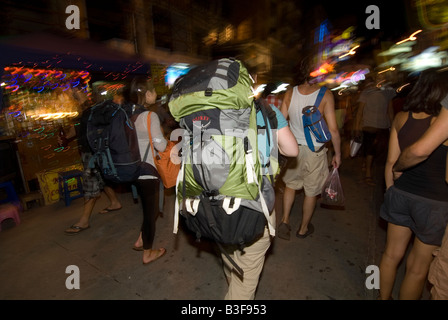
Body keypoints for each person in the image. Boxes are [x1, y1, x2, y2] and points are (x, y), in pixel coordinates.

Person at [220, 60, 299, 300]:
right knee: (248, 275)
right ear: (251, 79)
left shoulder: (210, 113)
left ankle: (233, 287)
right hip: (256, 204)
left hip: (216, 204)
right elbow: (292, 151)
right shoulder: (266, 111)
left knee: (229, 256)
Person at [378, 68, 448, 300]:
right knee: (418, 269)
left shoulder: (401, 118)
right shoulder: (442, 124)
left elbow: (390, 161)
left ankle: (383, 297)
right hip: (434, 203)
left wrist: (390, 190)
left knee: (390, 255)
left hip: (401, 193)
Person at [277, 57, 341, 240]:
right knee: (311, 191)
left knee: (290, 185)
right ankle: (303, 229)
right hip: (315, 151)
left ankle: (285, 220)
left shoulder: (290, 92)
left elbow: (281, 122)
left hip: (293, 150)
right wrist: (338, 153)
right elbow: (334, 130)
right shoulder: (325, 95)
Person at [64, 89, 123, 235]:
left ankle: (84, 221)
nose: (76, 98)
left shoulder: (93, 110)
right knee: (102, 179)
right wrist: (65, 138)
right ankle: (115, 202)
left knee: (90, 185)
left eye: (78, 96)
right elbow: (76, 130)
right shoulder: (83, 114)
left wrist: (82, 100)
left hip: (92, 152)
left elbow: (87, 113)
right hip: (91, 151)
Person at [126, 77, 167, 264]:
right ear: (148, 94)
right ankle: (148, 253)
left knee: (147, 208)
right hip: (148, 169)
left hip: (134, 169)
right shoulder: (150, 116)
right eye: (154, 91)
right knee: (151, 213)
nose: (156, 95)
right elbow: (160, 145)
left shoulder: (129, 115)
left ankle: (141, 239)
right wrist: (164, 139)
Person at [354, 75, 396, 186]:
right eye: (378, 78)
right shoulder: (367, 92)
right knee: (370, 150)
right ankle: (368, 174)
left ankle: (378, 174)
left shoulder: (388, 92)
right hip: (369, 125)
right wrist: (357, 127)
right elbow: (360, 111)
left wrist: (393, 126)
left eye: (382, 78)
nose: (380, 80)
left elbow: (390, 110)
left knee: (381, 151)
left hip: (383, 125)